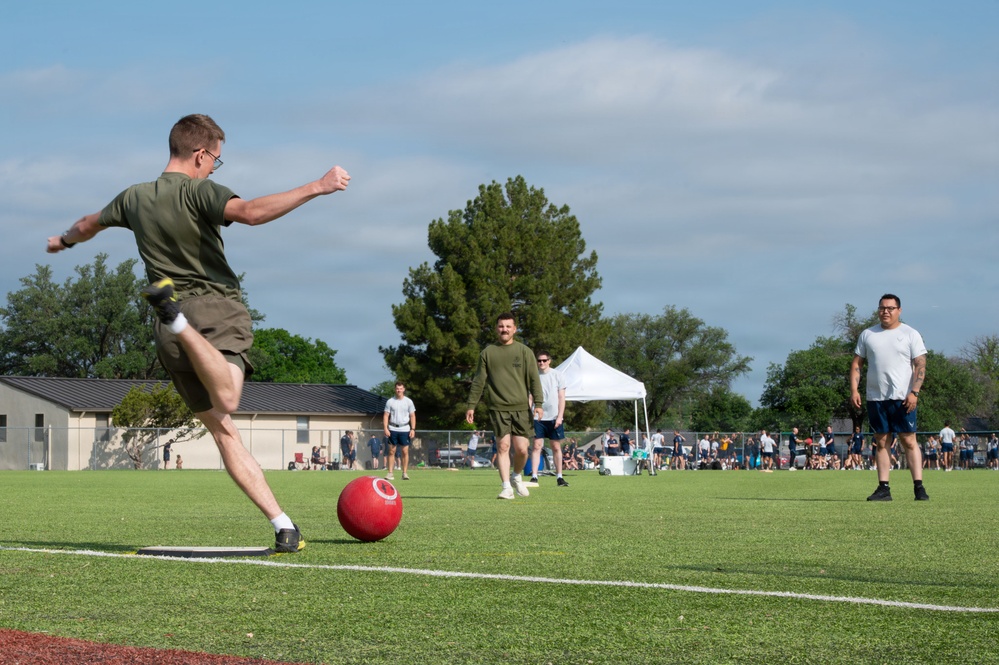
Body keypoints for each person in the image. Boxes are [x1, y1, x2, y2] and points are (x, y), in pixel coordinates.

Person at [48, 115, 350, 553]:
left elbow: (87, 223)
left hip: (168, 332)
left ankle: (284, 526)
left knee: (224, 432)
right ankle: (179, 321)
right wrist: (318, 186)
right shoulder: (197, 191)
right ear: (200, 154)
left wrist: (63, 241)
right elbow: (250, 212)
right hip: (214, 310)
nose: (213, 169)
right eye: (215, 161)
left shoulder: (133, 197)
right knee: (228, 399)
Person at [850, 293, 929, 502]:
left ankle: (919, 487)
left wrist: (915, 392)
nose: (885, 311)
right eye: (882, 308)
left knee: (908, 440)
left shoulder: (910, 334)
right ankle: (883, 488)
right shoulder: (868, 334)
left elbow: (920, 364)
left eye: (890, 308)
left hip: (903, 397)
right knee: (882, 440)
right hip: (876, 397)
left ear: (899, 310)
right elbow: (857, 363)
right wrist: (854, 390)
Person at [465, 313, 544, 500]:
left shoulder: (525, 352)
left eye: (508, 326)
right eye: (501, 326)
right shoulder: (488, 353)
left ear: (514, 329)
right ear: (496, 329)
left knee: (522, 449)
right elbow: (479, 381)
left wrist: (539, 403)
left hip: (521, 408)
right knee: (503, 446)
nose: (504, 329)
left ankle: (516, 476)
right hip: (498, 408)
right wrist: (471, 405)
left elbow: (534, 379)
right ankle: (506, 487)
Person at [529, 351, 569, 487]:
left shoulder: (558, 375)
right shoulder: (534, 376)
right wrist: (528, 413)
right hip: (537, 417)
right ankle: (534, 476)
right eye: (539, 360)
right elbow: (530, 397)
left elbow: (561, 397)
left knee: (556, 447)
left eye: (544, 360)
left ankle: (559, 477)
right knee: (536, 446)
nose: (541, 363)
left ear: (549, 361)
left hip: (553, 417)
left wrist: (560, 417)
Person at [383, 382, 416, 481]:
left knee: (405, 451)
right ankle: (390, 473)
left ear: (404, 389)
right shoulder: (390, 401)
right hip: (392, 428)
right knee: (391, 451)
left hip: (405, 429)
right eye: (397, 388)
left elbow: (412, 416)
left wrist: (413, 429)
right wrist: (385, 428)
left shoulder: (408, 402)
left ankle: (404, 473)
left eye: (401, 388)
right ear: (395, 389)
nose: (399, 390)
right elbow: (386, 415)